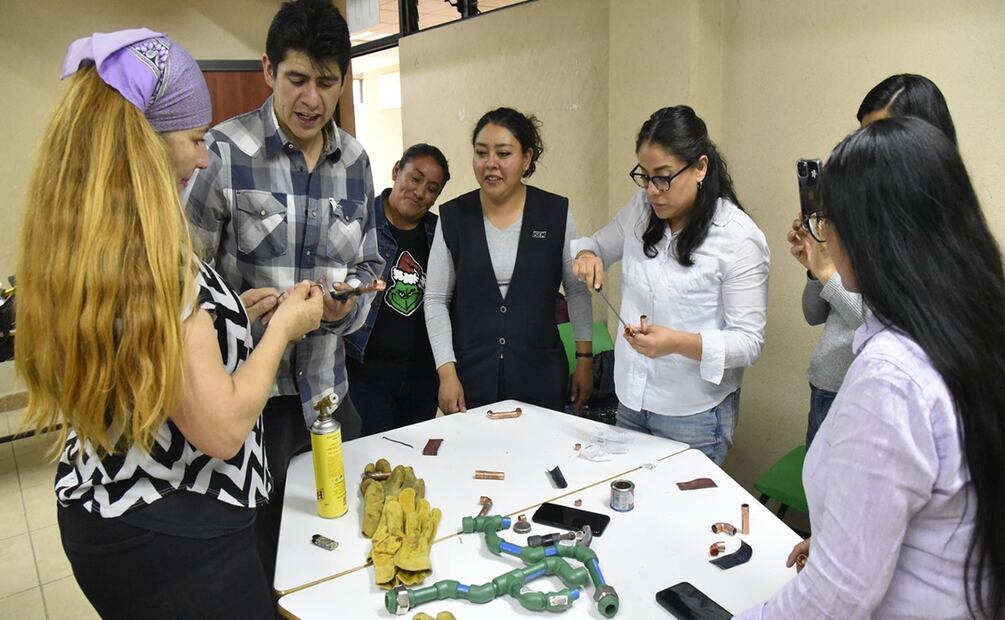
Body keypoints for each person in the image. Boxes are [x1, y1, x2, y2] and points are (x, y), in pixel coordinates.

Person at [16, 29, 324, 618]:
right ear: (143, 145)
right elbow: (223, 429)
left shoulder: (88, 243)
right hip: (178, 537)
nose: (204, 156)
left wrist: (231, 318)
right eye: (194, 139)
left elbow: (158, 362)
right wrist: (286, 326)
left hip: (102, 509)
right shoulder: (153, 262)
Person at [737, 117, 1004, 620]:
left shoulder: (892, 377)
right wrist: (850, 538)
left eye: (827, 221)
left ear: (872, 234)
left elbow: (833, 599)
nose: (822, 234)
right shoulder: (972, 321)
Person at [184, 0, 381, 583]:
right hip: (247, 402)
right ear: (269, 69)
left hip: (327, 396)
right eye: (297, 79)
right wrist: (233, 321)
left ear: (343, 80)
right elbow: (176, 279)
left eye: (326, 82)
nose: (311, 99)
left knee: (338, 547)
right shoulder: (221, 153)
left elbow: (369, 264)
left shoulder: (357, 162)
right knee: (258, 559)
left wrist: (348, 306)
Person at [572, 106, 769, 466]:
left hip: (693, 414)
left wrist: (677, 343)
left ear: (700, 168)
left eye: (663, 177)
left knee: (682, 517)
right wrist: (587, 255)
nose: (652, 190)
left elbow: (748, 342)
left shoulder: (738, 238)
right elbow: (597, 244)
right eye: (644, 177)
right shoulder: (641, 210)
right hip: (632, 399)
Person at [791, 73, 959, 446]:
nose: (866, 153)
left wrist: (827, 273)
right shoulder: (862, 219)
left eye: (881, 137)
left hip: (874, 401)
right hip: (829, 384)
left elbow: (895, 325)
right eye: (862, 136)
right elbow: (814, 314)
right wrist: (817, 259)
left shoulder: (935, 239)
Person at [425, 107, 593, 414]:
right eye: (481, 152)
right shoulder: (453, 217)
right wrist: (446, 372)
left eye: (503, 153)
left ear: (526, 159)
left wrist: (584, 358)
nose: (490, 164)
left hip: (540, 373)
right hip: (471, 375)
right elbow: (435, 299)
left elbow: (577, 290)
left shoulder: (555, 212)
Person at [345, 144, 450, 435]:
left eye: (432, 188)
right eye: (414, 178)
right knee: (372, 463)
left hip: (422, 376)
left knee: (416, 460)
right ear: (396, 171)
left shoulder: (440, 233)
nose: (419, 192)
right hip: (365, 376)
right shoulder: (361, 223)